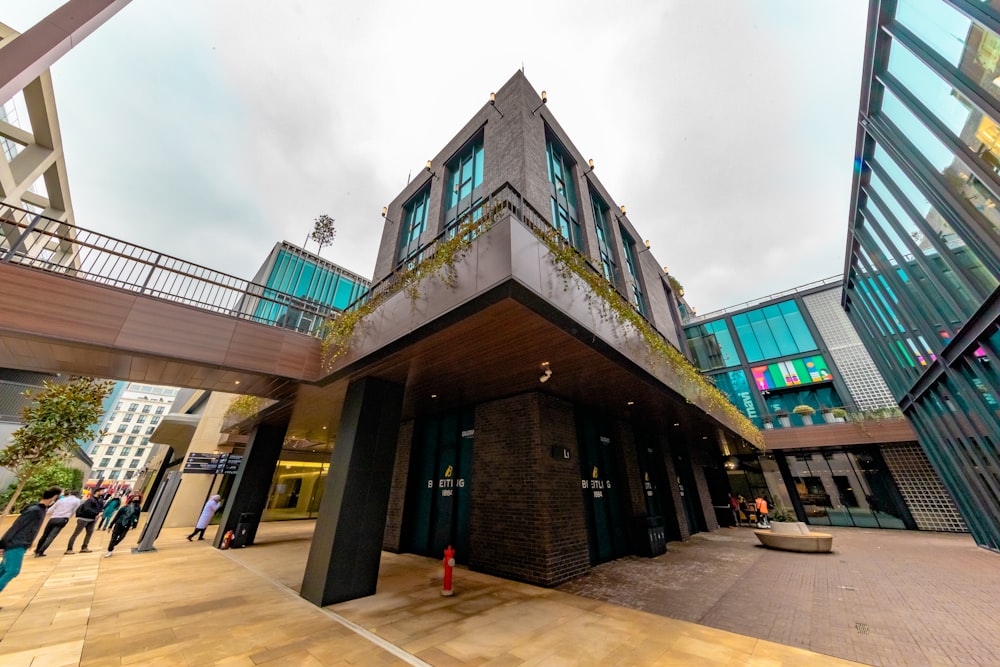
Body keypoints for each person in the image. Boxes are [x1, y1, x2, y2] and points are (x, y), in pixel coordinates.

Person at [0, 487, 61, 598]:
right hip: (15, 544)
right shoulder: (35, 511)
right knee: (12, 571)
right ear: (54, 497)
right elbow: (16, 526)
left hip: (19, 543)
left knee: (4, 570)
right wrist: (2, 543)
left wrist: (29, 541)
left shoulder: (39, 510)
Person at [34, 489, 82, 557]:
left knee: (45, 535)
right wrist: (69, 516)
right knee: (51, 536)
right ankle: (40, 551)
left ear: (70, 494)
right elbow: (74, 510)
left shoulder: (61, 500)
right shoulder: (77, 501)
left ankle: (37, 549)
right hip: (63, 519)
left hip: (53, 518)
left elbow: (50, 510)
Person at [65, 488, 106, 554]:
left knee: (89, 534)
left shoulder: (100, 500)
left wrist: (100, 512)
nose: (103, 492)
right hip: (84, 519)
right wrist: (96, 513)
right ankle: (69, 549)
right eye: (102, 491)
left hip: (92, 519)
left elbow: (101, 509)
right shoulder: (90, 500)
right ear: (97, 492)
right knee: (76, 534)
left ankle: (84, 547)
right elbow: (87, 509)